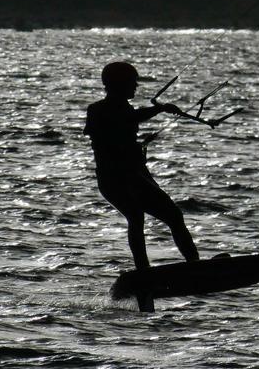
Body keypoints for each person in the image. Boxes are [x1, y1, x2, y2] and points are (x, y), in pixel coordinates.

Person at [84, 61, 200, 271]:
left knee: (167, 216)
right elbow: (120, 124)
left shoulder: (123, 109)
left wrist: (137, 144)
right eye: (132, 82)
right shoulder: (98, 110)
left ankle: (191, 265)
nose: (135, 87)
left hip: (133, 176)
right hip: (117, 179)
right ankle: (148, 271)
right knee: (143, 217)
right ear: (119, 83)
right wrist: (160, 109)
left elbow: (124, 124)